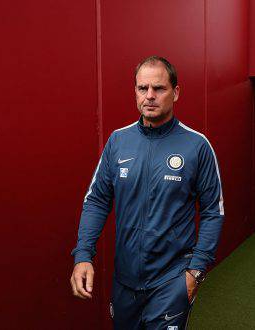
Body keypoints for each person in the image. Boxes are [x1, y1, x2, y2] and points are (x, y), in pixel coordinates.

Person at [70, 56, 225, 329]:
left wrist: (196, 272)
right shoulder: (118, 141)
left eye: (159, 88)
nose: (150, 96)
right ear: (135, 92)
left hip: (171, 281)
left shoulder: (197, 145)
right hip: (125, 282)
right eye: (143, 88)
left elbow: (214, 210)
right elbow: (97, 201)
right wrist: (83, 255)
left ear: (175, 92)